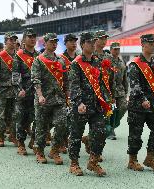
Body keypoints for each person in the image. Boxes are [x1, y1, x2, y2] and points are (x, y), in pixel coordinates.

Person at [68, 32, 112, 176]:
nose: (93, 44)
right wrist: (78, 102)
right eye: (89, 42)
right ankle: (74, 163)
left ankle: (93, 161)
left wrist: (106, 100)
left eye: (94, 42)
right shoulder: (76, 64)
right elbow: (74, 85)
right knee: (76, 134)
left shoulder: (97, 62)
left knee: (101, 132)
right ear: (82, 44)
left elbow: (101, 83)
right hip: (81, 106)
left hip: (96, 105)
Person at [127, 34, 154, 172]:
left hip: (153, 104)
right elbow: (134, 85)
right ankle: (132, 160)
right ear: (143, 44)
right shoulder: (135, 64)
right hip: (138, 105)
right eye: (151, 43)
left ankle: (150, 158)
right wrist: (143, 99)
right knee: (135, 134)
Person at [31, 33, 69, 165]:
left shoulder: (60, 60)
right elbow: (36, 80)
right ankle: (40, 152)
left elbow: (65, 80)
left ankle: (54, 150)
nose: (54, 44)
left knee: (62, 124)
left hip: (58, 99)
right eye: (51, 42)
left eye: (55, 42)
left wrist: (67, 96)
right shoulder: (39, 60)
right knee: (41, 127)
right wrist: (40, 95)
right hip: (44, 100)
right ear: (45, 43)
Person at [12, 28, 39, 155]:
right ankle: (21, 143)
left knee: (38, 118)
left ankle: (33, 140)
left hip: (36, 93)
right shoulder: (19, 55)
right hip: (23, 92)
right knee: (21, 118)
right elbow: (16, 75)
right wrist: (19, 89)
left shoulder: (39, 56)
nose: (32, 39)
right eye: (30, 37)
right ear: (24, 39)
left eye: (34, 36)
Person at [0, 32, 18, 147]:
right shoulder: (0, 57)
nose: (13, 42)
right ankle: (1, 136)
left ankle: (12, 135)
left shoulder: (18, 56)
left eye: (14, 40)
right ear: (5, 41)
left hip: (15, 90)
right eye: (11, 40)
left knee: (15, 114)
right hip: (2, 90)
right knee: (1, 115)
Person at [108, 42, 128, 140]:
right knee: (110, 111)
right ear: (111, 50)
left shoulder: (122, 61)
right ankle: (109, 130)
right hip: (109, 90)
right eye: (115, 49)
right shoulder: (107, 60)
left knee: (123, 107)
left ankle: (113, 125)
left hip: (120, 90)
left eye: (118, 49)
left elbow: (125, 77)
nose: (116, 51)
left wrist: (126, 90)